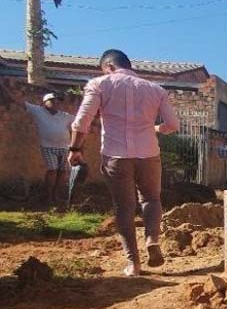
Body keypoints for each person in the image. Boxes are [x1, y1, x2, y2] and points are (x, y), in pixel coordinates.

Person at [69, 49, 180, 276]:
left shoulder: (100, 84)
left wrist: (75, 149)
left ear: (108, 66)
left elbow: (81, 123)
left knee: (124, 207)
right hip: (149, 153)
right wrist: (154, 128)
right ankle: (152, 239)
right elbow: (172, 125)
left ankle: (134, 264)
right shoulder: (155, 90)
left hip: (116, 155)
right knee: (151, 198)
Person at [25, 92, 74, 205]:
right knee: (52, 170)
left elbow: (79, 121)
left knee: (62, 171)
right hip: (47, 147)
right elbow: (20, 102)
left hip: (64, 147)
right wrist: (4, 87)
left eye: (58, 101)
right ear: (45, 102)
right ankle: (49, 196)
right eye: (53, 100)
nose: (56, 103)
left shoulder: (64, 115)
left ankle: (56, 195)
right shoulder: (38, 111)